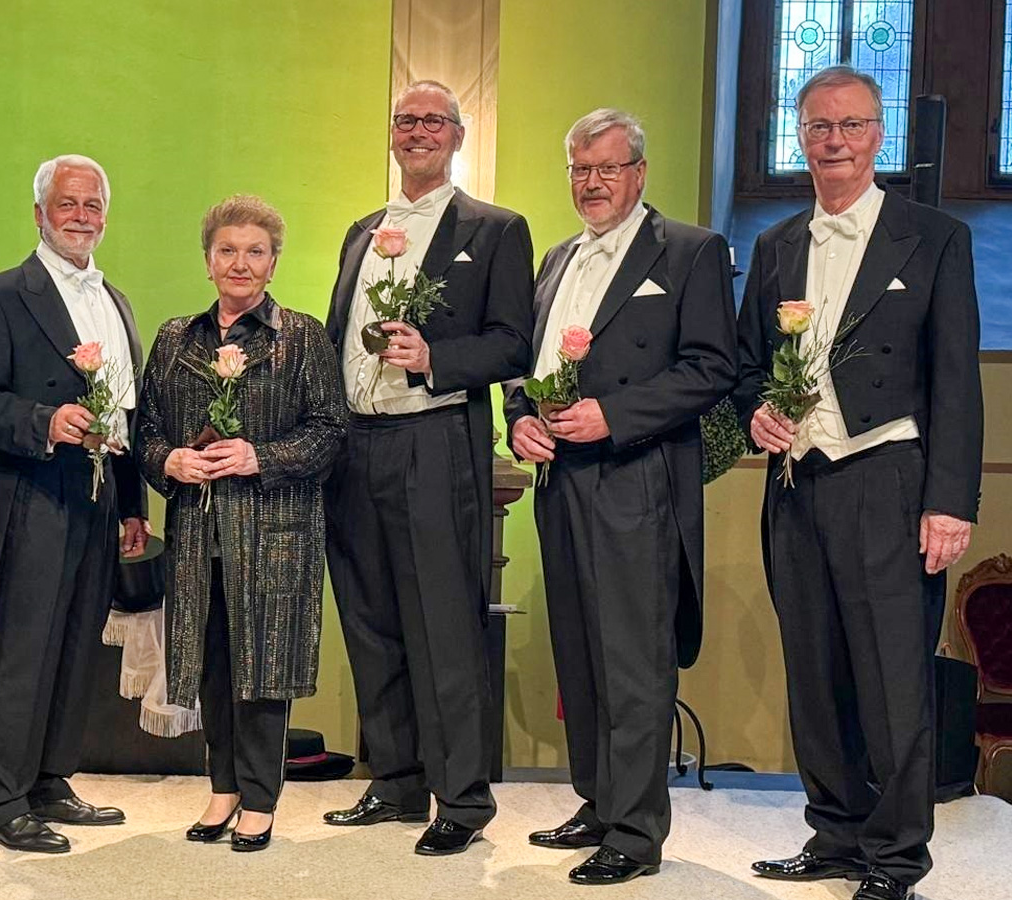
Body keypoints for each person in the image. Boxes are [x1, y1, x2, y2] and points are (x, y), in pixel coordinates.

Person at [733, 66, 982, 900]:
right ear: (799, 138)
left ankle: (897, 856)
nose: (834, 142)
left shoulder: (934, 237)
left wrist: (951, 502)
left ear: (879, 136)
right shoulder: (775, 246)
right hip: (797, 487)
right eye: (818, 128)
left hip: (891, 483)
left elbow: (956, 379)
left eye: (851, 126)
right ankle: (835, 833)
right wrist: (755, 416)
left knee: (892, 680)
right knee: (816, 671)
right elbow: (744, 369)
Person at [503, 108, 736, 885]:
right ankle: (599, 801)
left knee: (633, 659)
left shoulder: (693, 251)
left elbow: (711, 368)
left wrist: (615, 415)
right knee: (580, 652)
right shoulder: (556, 258)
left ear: (639, 173)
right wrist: (519, 422)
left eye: (606, 168)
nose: (591, 183)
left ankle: (636, 835)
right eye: (579, 169)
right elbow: (529, 365)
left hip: (639, 477)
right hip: (562, 477)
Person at [321, 79, 534, 856]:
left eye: (433, 121)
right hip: (356, 445)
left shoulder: (497, 228)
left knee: (444, 626)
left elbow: (515, 342)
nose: (418, 132)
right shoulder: (361, 230)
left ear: (458, 135)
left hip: (435, 442)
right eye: (406, 121)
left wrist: (436, 356)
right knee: (371, 620)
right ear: (392, 134)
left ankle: (464, 801)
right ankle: (398, 780)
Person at [137, 195, 347, 852]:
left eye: (255, 251)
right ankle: (221, 787)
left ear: (274, 261)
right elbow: (143, 430)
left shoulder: (303, 336)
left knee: (264, 667)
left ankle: (259, 797)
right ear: (208, 260)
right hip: (198, 533)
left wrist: (262, 456)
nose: (240, 263)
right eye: (227, 250)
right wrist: (167, 460)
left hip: (275, 532)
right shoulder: (175, 339)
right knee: (211, 663)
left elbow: (331, 432)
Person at [0, 154, 150, 854]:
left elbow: (125, 412)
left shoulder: (117, 299)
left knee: (75, 645)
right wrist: (44, 421)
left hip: (101, 495)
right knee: (23, 648)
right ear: (39, 213)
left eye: (92, 205)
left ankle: (48, 780)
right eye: (67, 204)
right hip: (35, 489)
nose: (80, 216)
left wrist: (133, 505)